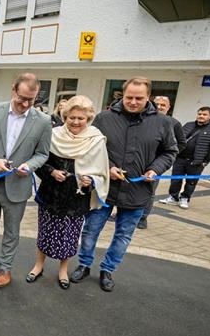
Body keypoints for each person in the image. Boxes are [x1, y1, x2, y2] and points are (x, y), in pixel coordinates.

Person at [70, 77, 178, 292]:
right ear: (122, 95)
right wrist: (108, 167)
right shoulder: (104, 119)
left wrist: (155, 169)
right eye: (129, 97)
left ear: (148, 97)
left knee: (123, 235)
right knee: (90, 231)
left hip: (138, 191)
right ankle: (84, 264)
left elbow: (170, 151)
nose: (133, 102)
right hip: (104, 188)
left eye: (139, 98)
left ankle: (107, 269)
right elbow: (91, 148)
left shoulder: (164, 122)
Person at [26, 96, 109, 289]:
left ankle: (63, 270)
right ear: (65, 116)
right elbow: (39, 162)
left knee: (69, 237)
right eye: (72, 117)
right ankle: (38, 265)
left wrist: (91, 181)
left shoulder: (96, 139)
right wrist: (51, 172)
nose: (76, 122)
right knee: (44, 232)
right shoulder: (52, 134)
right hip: (50, 194)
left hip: (76, 199)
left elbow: (101, 172)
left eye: (81, 118)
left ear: (88, 118)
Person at [0, 73, 52, 288]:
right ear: (13, 90)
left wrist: (29, 166)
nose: (26, 104)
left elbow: (43, 153)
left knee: (12, 231)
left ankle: (5, 268)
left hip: (18, 186)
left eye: (31, 99)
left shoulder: (44, 121)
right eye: (22, 98)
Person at [160, 106, 210, 210]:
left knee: (191, 182)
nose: (201, 116)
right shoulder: (188, 125)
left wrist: (206, 161)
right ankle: (173, 197)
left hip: (197, 162)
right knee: (175, 179)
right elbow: (178, 138)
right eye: (199, 114)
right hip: (180, 158)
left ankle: (185, 198)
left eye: (204, 114)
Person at [137, 96, 186, 228]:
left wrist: (163, 158)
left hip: (155, 166)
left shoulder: (173, 123)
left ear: (169, 107)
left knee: (149, 192)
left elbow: (180, 144)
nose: (159, 107)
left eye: (163, 105)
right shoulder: (143, 119)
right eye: (157, 104)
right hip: (137, 162)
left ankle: (143, 218)